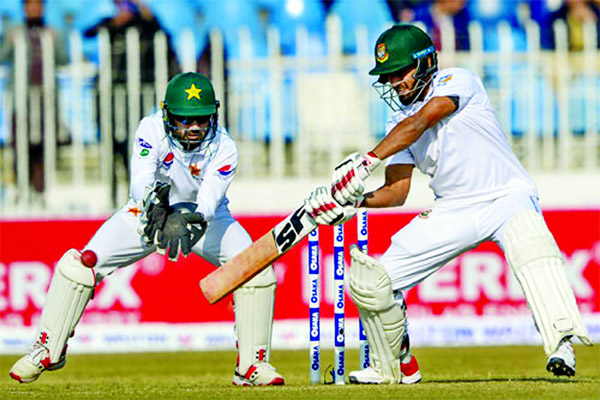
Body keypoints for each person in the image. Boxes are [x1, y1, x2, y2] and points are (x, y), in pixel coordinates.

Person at [304, 24, 592, 384]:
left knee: (534, 253)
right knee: (371, 283)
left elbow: (424, 119)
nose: (394, 83)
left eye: (400, 72)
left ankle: (562, 344)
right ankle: (395, 364)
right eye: (388, 76)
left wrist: (367, 161)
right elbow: (397, 192)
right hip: (452, 208)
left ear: (425, 63)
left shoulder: (457, 80)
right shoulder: (397, 121)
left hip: (505, 195)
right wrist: (354, 200)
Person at [9, 72, 284, 386]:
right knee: (81, 264)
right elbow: (140, 179)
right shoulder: (150, 128)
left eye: (201, 119)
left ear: (214, 114)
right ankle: (47, 347)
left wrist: (192, 217)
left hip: (203, 220)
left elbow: (210, 196)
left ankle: (252, 365)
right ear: (167, 114)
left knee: (257, 270)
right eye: (184, 120)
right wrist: (156, 206)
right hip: (145, 213)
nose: (194, 128)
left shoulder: (225, 146)